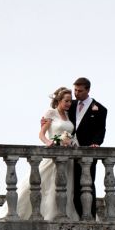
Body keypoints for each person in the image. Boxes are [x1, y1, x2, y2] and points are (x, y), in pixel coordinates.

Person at [15, 86, 77, 221]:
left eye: (70, 101)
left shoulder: (68, 115)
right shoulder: (50, 113)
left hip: (68, 157)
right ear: (59, 100)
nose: (69, 104)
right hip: (54, 153)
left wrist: (71, 142)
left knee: (65, 186)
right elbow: (41, 134)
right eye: (66, 101)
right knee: (45, 184)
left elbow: (71, 134)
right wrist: (50, 142)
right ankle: (46, 215)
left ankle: (62, 214)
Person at [70, 76, 107, 219]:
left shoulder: (100, 109)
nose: (76, 93)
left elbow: (101, 130)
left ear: (88, 90)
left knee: (87, 185)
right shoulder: (70, 105)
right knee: (71, 184)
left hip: (87, 153)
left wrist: (96, 143)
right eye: (75, 90)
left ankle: (88, 215)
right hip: (70, 151)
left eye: (79, 90)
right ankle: (74, 214)